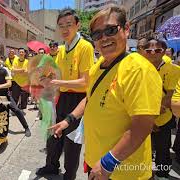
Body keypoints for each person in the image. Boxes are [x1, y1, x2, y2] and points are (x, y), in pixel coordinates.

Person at [50, 6, 162, 179]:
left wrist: (108, 162)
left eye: (110, 30)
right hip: (97, 164)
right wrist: (68, 120)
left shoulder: (138, 68)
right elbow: (89, 98)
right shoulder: (99, 65)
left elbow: (143, 125)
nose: (104, 38)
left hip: (123, 171)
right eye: (97, 34)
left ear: (126, 29)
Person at [36, 8, 94, 180]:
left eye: (69, 24)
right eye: (61, 25)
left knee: (72, 142)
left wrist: (58, 82)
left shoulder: (85, 47)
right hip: (61, 97)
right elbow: (57, 74)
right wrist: (47, 78)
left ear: (77, 25)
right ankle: (51, 167)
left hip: (78, 100)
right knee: (53, 136)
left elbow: (85, 81)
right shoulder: (61, 50)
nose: (64, 29)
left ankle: (69, 175)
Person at [139, 38, 180, 179]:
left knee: (162, 151)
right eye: (149, 50)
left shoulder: (173, 70)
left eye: (157, 50)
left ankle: (162, 174)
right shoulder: (140, 69)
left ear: (163, 51)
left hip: (162, 119)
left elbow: (169, 98)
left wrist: (152, 119)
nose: (153, 53)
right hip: (142, 118)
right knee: (143, 151)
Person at [0, 50, 31, 137]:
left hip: (5, 95)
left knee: (17, 110)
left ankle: (26, 127)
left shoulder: (4, 69)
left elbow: (9, 84)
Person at [11, 48, 29, 114]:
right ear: (18, 53)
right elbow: (13, 70)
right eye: (20, 52)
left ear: (24, 53)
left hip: (24, 82)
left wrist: (18, 71)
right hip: (16, 81)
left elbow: (27, 71)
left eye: (22, 52)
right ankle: (14, 110)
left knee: (24, 97)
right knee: (15, 96)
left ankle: (22, 109)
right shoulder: (15, 61)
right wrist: (22, 70)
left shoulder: (27, 61)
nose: (21, 53)